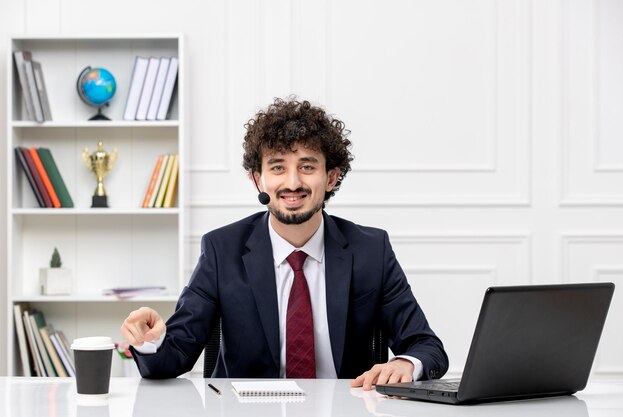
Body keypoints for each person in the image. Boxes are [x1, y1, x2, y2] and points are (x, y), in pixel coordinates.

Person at [121, 97, 448, 390]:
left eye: (307, 167)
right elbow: (172, 358)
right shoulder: (222, 250)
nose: (293, 183)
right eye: (278, 168)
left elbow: (426, 347)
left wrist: (406, 362)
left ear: (331, 178)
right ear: (257, 179)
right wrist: (151, 340)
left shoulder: (370, 250)